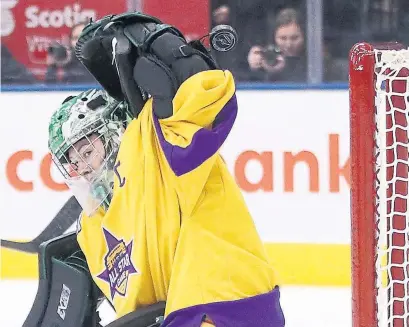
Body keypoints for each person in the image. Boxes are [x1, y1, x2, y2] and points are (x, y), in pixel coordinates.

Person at [31, 12, 285, 327]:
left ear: (113, 132)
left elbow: (205, 101)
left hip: (226, 308)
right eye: (71, 161)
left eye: (86, 151)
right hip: (180, 317)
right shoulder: (94, 227)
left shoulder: (156, 150)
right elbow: (137, 307)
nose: (80, 167)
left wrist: (165, 48)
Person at [246, 8, 306, 82]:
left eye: (294, 38)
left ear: (304, 36)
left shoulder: (315, 60)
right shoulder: (265, 57)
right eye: (283, 38)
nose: (289, 45)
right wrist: (253, 69)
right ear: (274, 37)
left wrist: (283, 70)